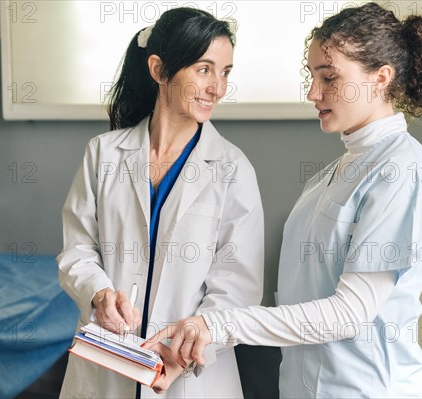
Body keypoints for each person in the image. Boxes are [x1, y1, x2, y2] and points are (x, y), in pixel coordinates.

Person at [146, 3, 422, 398]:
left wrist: (219, 325)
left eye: (329, 77)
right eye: (311, 76)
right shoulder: (329, 177)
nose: (313, 93)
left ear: (382, 78)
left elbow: (349, 313)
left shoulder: (400, 168)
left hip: (364, 388)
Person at [56, 7, 264, 399]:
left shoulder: (232, 169)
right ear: (159, 69)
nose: (218, 87)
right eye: (204, 69)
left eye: (225, 72)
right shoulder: (103, 154)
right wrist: (100, 294)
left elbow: (238, 287)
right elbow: (77, 251)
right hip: (106, 364)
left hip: (189, 376)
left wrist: (187, 346)